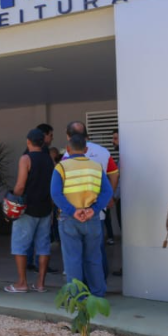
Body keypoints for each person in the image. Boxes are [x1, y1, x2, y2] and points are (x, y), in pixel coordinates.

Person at [51, 132, 114, 298]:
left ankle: (77, 298)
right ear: (86, 149)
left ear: (68, 149)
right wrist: (94, 209)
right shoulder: (96, 167)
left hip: (69, 218)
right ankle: (98, 295)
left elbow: (55, 194)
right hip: (91, 217)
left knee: (73, 259)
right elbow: (107, 192)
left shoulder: (61, 167)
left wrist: (73, 211)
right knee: (94, 258)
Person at [63, 121, 118, 283]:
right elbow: (114, 174)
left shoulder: (67, 155)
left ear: (68, 137)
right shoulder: (103, 152)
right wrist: (108, 197)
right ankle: (99, 284)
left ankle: (81, 287)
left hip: (74, 211)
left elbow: (60, 185)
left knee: (76, 252)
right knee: (96, 250)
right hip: (96, 209)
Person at [6, 128, 55, 293]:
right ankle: (40, 283)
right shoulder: (49, 159)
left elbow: (20, 185)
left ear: (28, 142)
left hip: (27, 209)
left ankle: (22, 283)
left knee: (20, 245)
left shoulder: (25, 158)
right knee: (43, 246)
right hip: (45, 208)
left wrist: (13, 199)